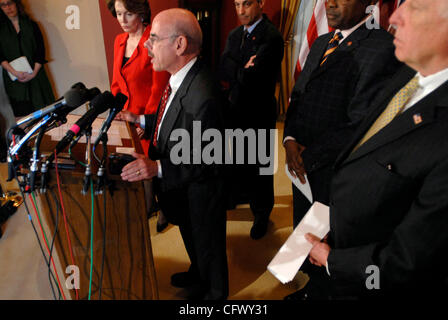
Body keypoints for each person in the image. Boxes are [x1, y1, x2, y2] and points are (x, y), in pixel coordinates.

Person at [305, 0, 448, 299]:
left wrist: (334, 262)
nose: (393, 16)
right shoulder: (407, 74)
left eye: (416, 8)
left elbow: (408, 262)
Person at [283, 0, 402, 300]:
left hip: (338, 173)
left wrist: (309, 156)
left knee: (333, 245)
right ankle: (313, 287)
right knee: (306, 231)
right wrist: (289, 139)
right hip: (303, 167)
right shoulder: (323, 41)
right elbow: (298, 96)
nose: (330, 3)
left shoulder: (383, 48)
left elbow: (361, 123)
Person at [119, 8, 228, 300]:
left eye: (153, 39)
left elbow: (207, 158)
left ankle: (215, 292)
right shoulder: (180, 75)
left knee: (208, 243)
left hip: (202, 190)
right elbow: (171, 118)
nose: (146, 46)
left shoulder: (204, 96)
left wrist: (157, 168)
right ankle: (198, 274)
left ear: (179, 45)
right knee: (192, 237)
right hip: (182, 188)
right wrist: (140, 120)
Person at [219, 0, 284, 240]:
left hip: (259, 110)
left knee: (260, 165)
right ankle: (239, 196)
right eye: (237, 5)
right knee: (236, 157)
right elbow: (224, 69)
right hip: (235, 107)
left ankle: (262, 212)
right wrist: (241, 67)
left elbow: (253, 78)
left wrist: (238, 69)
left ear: (260, 4)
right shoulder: (235, 34)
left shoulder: (272, 36)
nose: (241, 10)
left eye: (246, 4)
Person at [107, 0, 170, 231]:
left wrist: (147, 121)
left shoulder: (153, 41)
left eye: (129, 14)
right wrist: (117, 111)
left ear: (142, 13)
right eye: (119, 13)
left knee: (153, 165)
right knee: (135, 164)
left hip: (148, 118)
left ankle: (164, 210)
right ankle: (147, 207)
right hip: (126, 118)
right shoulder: (119, 41)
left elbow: (159, 87)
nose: (122, 20)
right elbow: (117, 82)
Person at [0, 0, 54, 117]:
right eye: (3, 5)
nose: (8, 7)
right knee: (21, 117)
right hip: (14, 80)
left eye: (10, 3)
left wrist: (33, 73)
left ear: (17, 4)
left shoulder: (32, 25)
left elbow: (41, 51)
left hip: (36, 77)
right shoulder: (0, 29)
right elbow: (0, 56)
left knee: (43, 114)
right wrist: (14, 72)